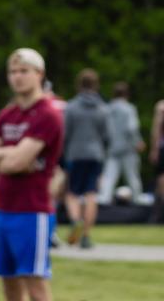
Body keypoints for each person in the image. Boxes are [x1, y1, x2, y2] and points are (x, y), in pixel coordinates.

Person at [0, 47, 64, 301]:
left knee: (34, 282)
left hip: (31, 209)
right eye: (13, 72)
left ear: (39, 74)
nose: (17, 77)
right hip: (3, 207)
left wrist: (3, 157)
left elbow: (15, 163)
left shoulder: (47, 114)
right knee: (9, 281)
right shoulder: (8, 114)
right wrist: (11, 155)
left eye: (24, 71)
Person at [62, 68, 109, 248]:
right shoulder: (102, 108)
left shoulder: (71, 107)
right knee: (91, 194)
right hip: (96, 155)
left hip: (75, 154)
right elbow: (106, 136)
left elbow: (65, 134)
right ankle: (86, 236)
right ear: (96, 85)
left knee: (72, 193)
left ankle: (75, 220)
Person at [99, 81, 144, 203]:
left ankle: (104, 201)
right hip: (128, 149)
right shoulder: (129, 109)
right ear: (126, 94)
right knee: (133, 177)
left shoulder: (107, 109)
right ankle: (137, 202)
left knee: (109, 178)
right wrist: (138, 141)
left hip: (112, 148)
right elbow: (132, 127)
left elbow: (103, 130)